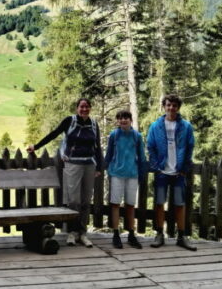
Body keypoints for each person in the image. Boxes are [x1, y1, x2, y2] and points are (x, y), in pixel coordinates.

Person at [28, 98, 102, 247]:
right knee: (74, 201)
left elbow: (97, 146)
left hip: (89, 165)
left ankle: (82, 233)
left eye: (87, 107)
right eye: (82, 106)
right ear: (77, 108)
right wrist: (36, 146)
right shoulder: (70, 121)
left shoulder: (94, 124)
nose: (84, 109)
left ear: (90, 108)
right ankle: (72, 233)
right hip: (73, 164)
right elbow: (54, 134)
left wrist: (99, 167)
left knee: (86, 201)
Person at [146, 93, 197, 250]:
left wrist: (184, 168)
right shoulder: (156, 126)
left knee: (180, 204)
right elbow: (150, 145)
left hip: (178, 172)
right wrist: (156, 166)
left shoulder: (185, 126)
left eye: (174, 105)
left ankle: (181, 236)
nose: (171, 108)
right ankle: (159, 234)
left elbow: (190, 147)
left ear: (178, 107)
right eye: (168, 105)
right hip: (162, 172)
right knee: (160, 203)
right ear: (164, 106)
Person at [104, 109, 145, 249]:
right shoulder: (114, 135)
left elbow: (142, 157)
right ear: (117, 121)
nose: (123, 120)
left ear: (131, 120)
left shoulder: (137, 136)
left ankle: (131, 234)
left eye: (126, 118)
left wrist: (142, 174)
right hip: (116, 173)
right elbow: (108, 155)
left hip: (132, 174)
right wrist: (101, 169)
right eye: (120, 118)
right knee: (115, 203)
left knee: (130, 205)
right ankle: (116, 234)